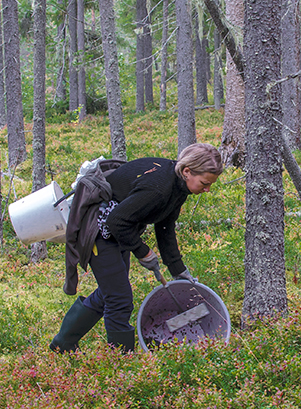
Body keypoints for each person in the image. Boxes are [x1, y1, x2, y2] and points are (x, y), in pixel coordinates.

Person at [50, 143, 223, 353]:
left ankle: (63, 344)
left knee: (110, 292)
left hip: (120, 230)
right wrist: (143, 252)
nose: (207, 189)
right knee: (119, 299)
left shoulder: (178, 187)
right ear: (187, 171)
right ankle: (121, 360)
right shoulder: (159, 188)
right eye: (205, 183)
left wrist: (178, 270)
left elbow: (165, 226)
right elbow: (116, 221)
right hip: (99, 230)